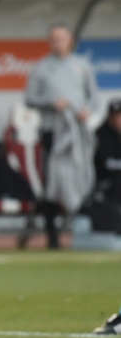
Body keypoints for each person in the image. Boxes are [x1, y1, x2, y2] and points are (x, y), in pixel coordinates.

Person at [25, 24, 98, 249]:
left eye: (62, 38)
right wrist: (50, 103)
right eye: (54, 38)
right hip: (52, 131)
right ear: (49, 42)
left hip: (78, 132)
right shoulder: (41, 68)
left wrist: (86, 110)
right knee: (52, 182)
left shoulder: (82, 65)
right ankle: (52, 236)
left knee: (81, 177)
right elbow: (29, 99)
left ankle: (84, 232)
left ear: (71, 40)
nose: (58, 42)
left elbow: (93, 97)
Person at [95, 98, 121, 205]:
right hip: (106, 182)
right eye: (116, 116)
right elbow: (103, 163)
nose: (119, 120)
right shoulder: (100, 135)